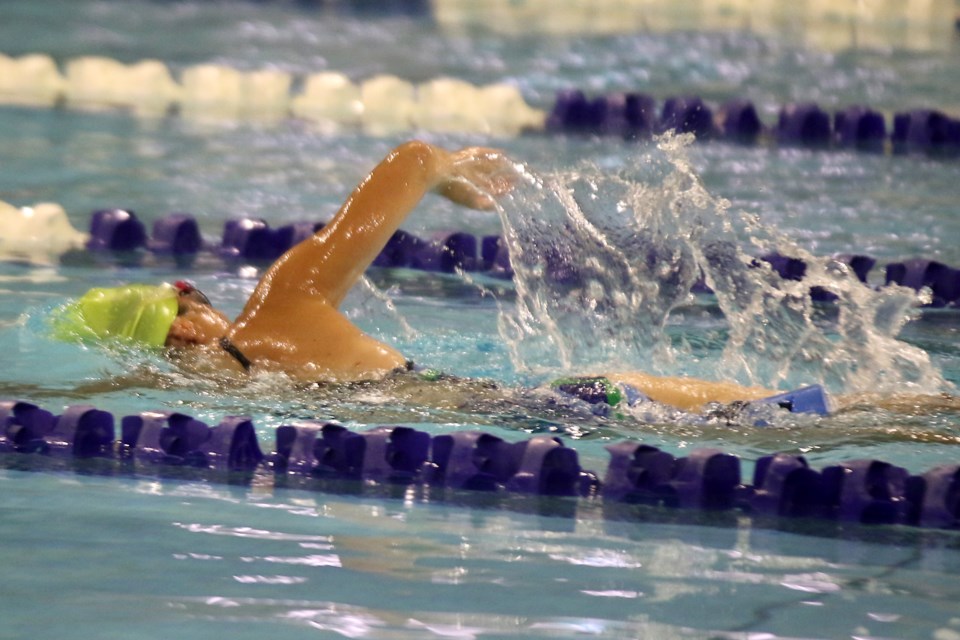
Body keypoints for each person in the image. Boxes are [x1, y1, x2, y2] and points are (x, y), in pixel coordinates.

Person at [55, 140, 816, 414]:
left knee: (848, 416)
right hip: (590, 401)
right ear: (186, 318)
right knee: (850, 413)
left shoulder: (226, 394)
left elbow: (82, 398)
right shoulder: (279, 309)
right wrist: (448, 175)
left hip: (571, 416)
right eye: (197, 298)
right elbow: (410, 156)